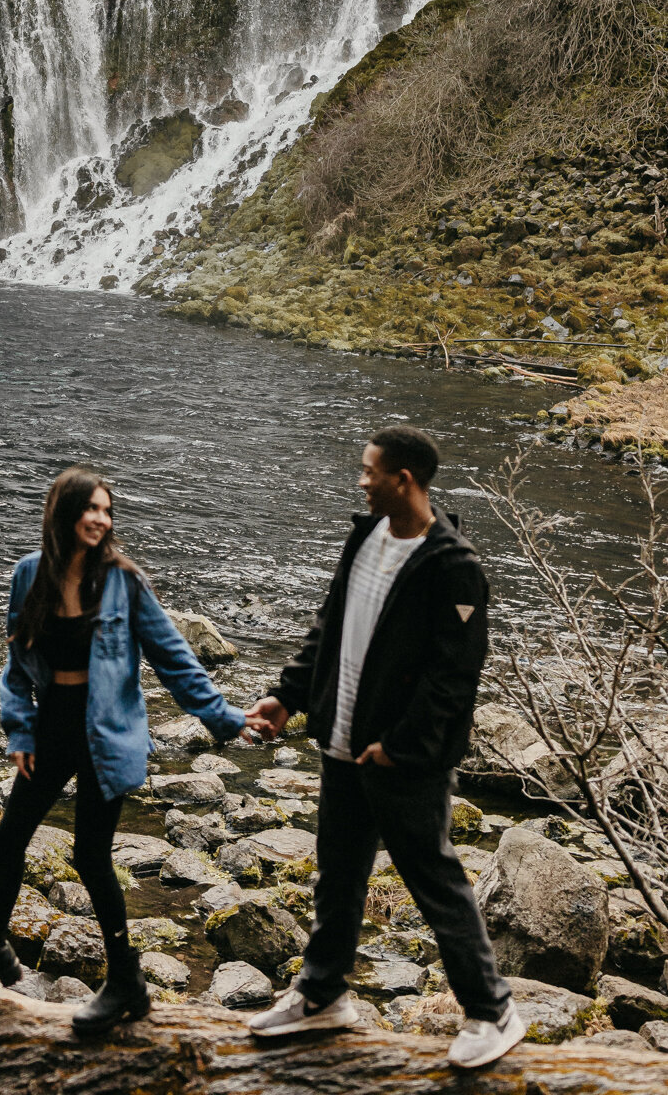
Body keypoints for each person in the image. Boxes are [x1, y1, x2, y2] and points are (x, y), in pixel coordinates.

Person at [243, 425, 524, 1072]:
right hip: (343, 747)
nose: (360, 480)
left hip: (403, 762)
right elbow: (330, 624)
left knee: (436, 884)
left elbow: (454, 676)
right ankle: (322, 997)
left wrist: (399, 748)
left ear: (403, 479)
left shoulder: (453, 566)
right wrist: (287, 695)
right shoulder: (366, 536)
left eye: (369, 471)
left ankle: (491, 1012)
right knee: (336, 878)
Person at [0, 464, 253, 1036]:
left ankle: (126, 980)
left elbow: (173, 655)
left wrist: (223, 717)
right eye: (92, 508)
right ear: (65, 513)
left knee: (90, 855)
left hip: (106, 733)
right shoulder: (30, 575)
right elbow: (15, 665)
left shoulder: (124, 581)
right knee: (10, 837)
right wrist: (20, 730)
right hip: (51, 726)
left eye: (108, 511)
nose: (102, 519)